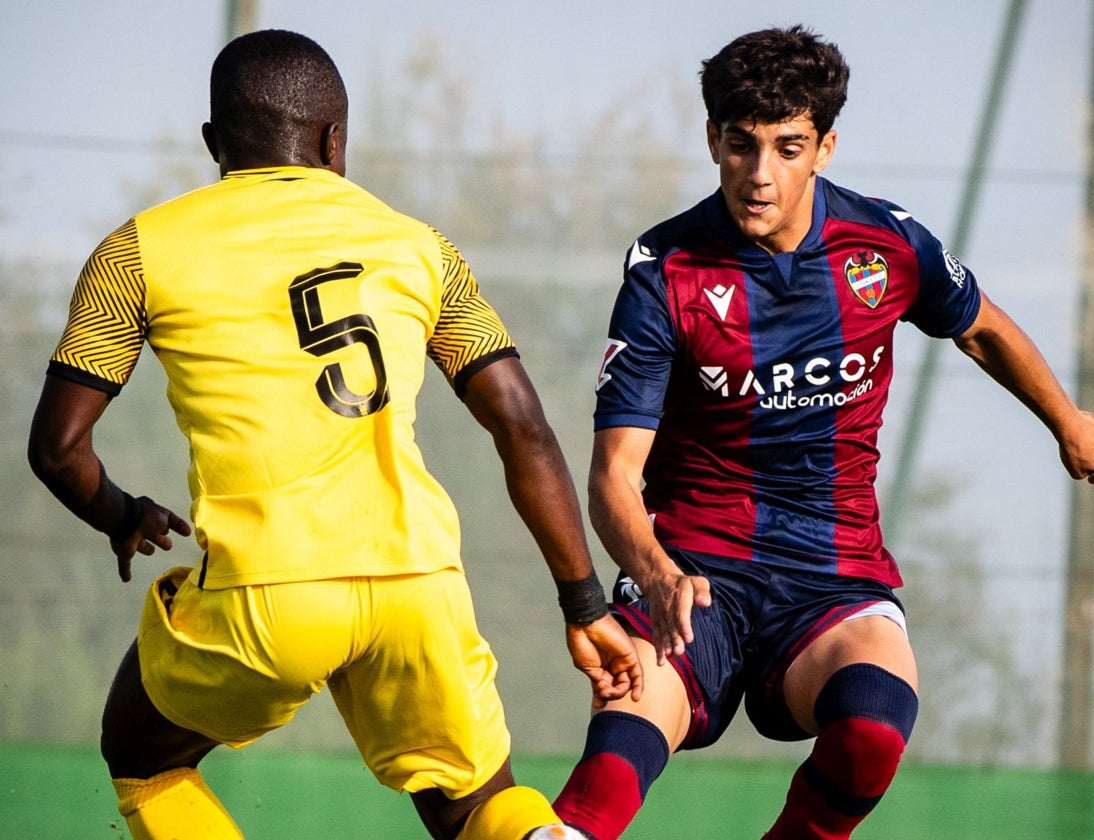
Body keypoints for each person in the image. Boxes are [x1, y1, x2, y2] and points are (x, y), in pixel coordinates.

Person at [27, 29, 641, 840]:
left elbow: (59, 449)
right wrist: (583, 600)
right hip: (416, 580)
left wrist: (121, 513)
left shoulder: (138, 251)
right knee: (478, 808)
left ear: (213, 143)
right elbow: (522, 425)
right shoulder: (422, 248)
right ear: (333, 141)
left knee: (141, 752)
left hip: (267, 593)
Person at [551, 24, 1094, 840]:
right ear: (712, 138)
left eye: (787, 148)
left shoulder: (884, 244)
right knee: (619, 746)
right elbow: (613, 475)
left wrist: (1069, 423)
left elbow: (982, 327)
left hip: (832, 573)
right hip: (694, 573)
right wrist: (656, 570)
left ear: (824, 146)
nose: (760, 175)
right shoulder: (664, 270)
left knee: (875, 723)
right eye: (741, 146)